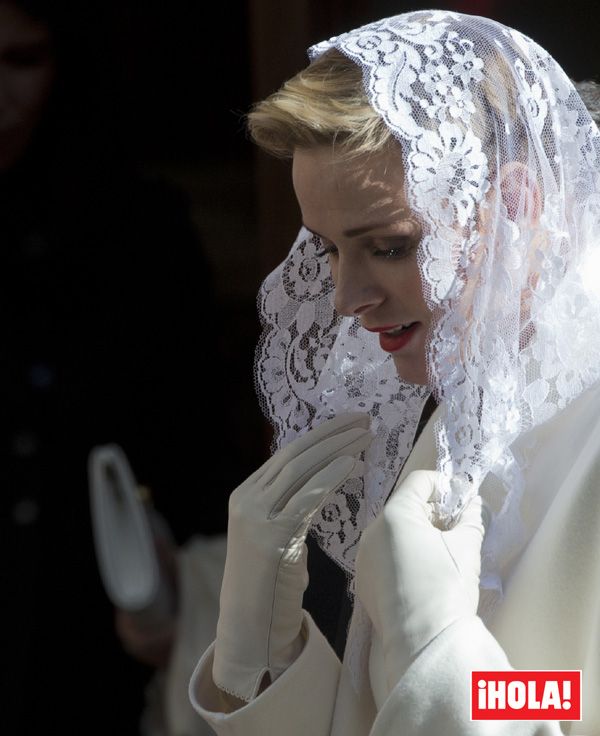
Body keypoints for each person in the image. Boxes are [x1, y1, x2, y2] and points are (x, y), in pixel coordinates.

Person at [183, 9, 600, 735]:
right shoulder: (452, 411)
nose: (347, 298)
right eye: (330, 251)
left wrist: (439, 645)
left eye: (390, 246)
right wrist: (261, 661)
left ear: (515, 208)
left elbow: (572, 700)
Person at [0, 0, 232, 733]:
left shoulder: (138, 230)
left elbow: (199, 444)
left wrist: (183, 590)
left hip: (96, 637)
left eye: (22, 61)